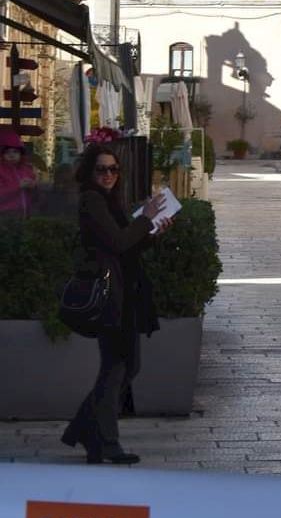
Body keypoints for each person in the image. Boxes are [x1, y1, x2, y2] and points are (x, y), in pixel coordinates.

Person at [60, 144, 170, 465]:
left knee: (124, 366)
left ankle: (85, 430)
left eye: (113, 169)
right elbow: (119, 242)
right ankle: (105, 441)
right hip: (112, 298)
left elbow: (127, 245)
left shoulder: (109, 200)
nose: (108, 175)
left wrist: (153, 229)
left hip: (124, 293)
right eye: (102, 169)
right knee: (117, 368)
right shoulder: (92, 200)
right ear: (90, 172)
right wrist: (146, 217)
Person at [0, 127, 37, 217]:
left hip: (25, 213)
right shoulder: (1, 170)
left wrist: (33, 186)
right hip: (5, 214)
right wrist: (17, 186)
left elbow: (36, 195)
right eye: (7, 152)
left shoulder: (27, 169)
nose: (11, 155)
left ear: (21, 154)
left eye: (15, 152)